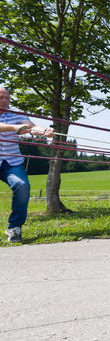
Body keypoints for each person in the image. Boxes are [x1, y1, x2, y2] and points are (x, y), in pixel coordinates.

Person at [0, 87, 54, 242]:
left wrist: (44, 131)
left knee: (22, 185)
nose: (5, 101)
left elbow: (30, 126)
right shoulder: (11, 123)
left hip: (11, 162)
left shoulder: (16, 115)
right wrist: (14, 128)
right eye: (1, 97)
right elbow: (12, 128)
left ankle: (14, 228)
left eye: (7, 98)